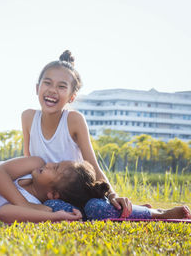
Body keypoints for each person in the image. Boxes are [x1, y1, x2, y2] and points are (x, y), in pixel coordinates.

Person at [21, 50, 189, 220]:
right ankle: (131, 210)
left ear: (72, 97)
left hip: (83, 195)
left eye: (61, 86)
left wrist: (112, 195)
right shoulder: (28, 117)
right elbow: (26, 164)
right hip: (50, 197)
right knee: (52, 208)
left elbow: (93, 166)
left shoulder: (73, 120)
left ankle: (155, 213)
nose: (52, 91)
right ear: (37, 88)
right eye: (47, 83)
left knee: (96, 209)